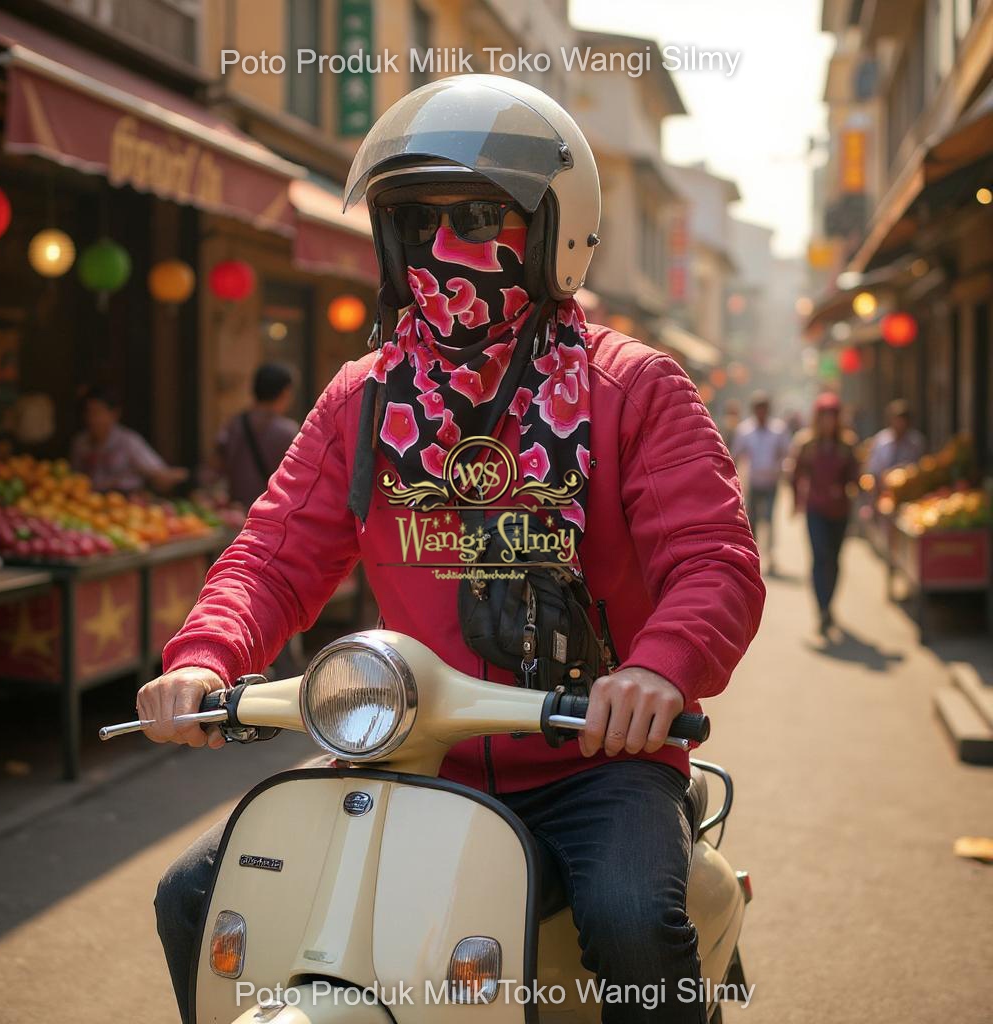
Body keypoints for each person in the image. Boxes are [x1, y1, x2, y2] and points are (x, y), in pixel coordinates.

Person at [140, 76, 765, 1024]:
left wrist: (658, 674)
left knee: (633, 919)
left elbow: (715, 561)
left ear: (557, 231)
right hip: (410, 751)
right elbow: (272, 554)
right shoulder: (364, 397)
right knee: (193, 894)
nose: (445, 249)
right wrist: (202, 656)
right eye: (414, 220)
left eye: (478, 216)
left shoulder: (636, 388)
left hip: (592, 762)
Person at [790, 392, 859, 634]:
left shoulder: (847, 445)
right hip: (815, 508)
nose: (829, 421)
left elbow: (855, 477)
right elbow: (796, 473)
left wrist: (848, 489)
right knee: (820, 557)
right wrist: (795, 501)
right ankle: (821, 609)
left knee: (835, 559)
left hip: (839, 511)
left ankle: (829, 604)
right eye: (824, 416)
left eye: (833, 416)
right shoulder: (807, 444)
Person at [71, 386, 188, 493]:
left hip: (126, 502)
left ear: (114, 414)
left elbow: (157, 473)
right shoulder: (80, 443)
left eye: (98, 412)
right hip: (89, 503)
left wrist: (187, 476)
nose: (92, 419)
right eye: (88, 412)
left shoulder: (128, 441)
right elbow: (74, 478)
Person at [215, 363, 300, 508]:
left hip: (236, 511)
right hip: (271, 512)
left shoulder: (233, 425)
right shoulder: (288, 431)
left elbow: (217, 466)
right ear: (285, 392)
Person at [730, 391, 790, 573]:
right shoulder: (745, 431)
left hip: (771, 482)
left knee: (770, 520)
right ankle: (752, 556)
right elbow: (736, 455)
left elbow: (786, 453)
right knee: (752, 520)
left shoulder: (778, 430)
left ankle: (771, 556)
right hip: (753, 483)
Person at [866, 399, 926, 484]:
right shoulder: (881, 440)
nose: (900, 425)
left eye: (902, 421)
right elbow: (873, 469)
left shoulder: (916, 442)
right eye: (897, 420)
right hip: (884, 488)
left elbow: (921, 467)